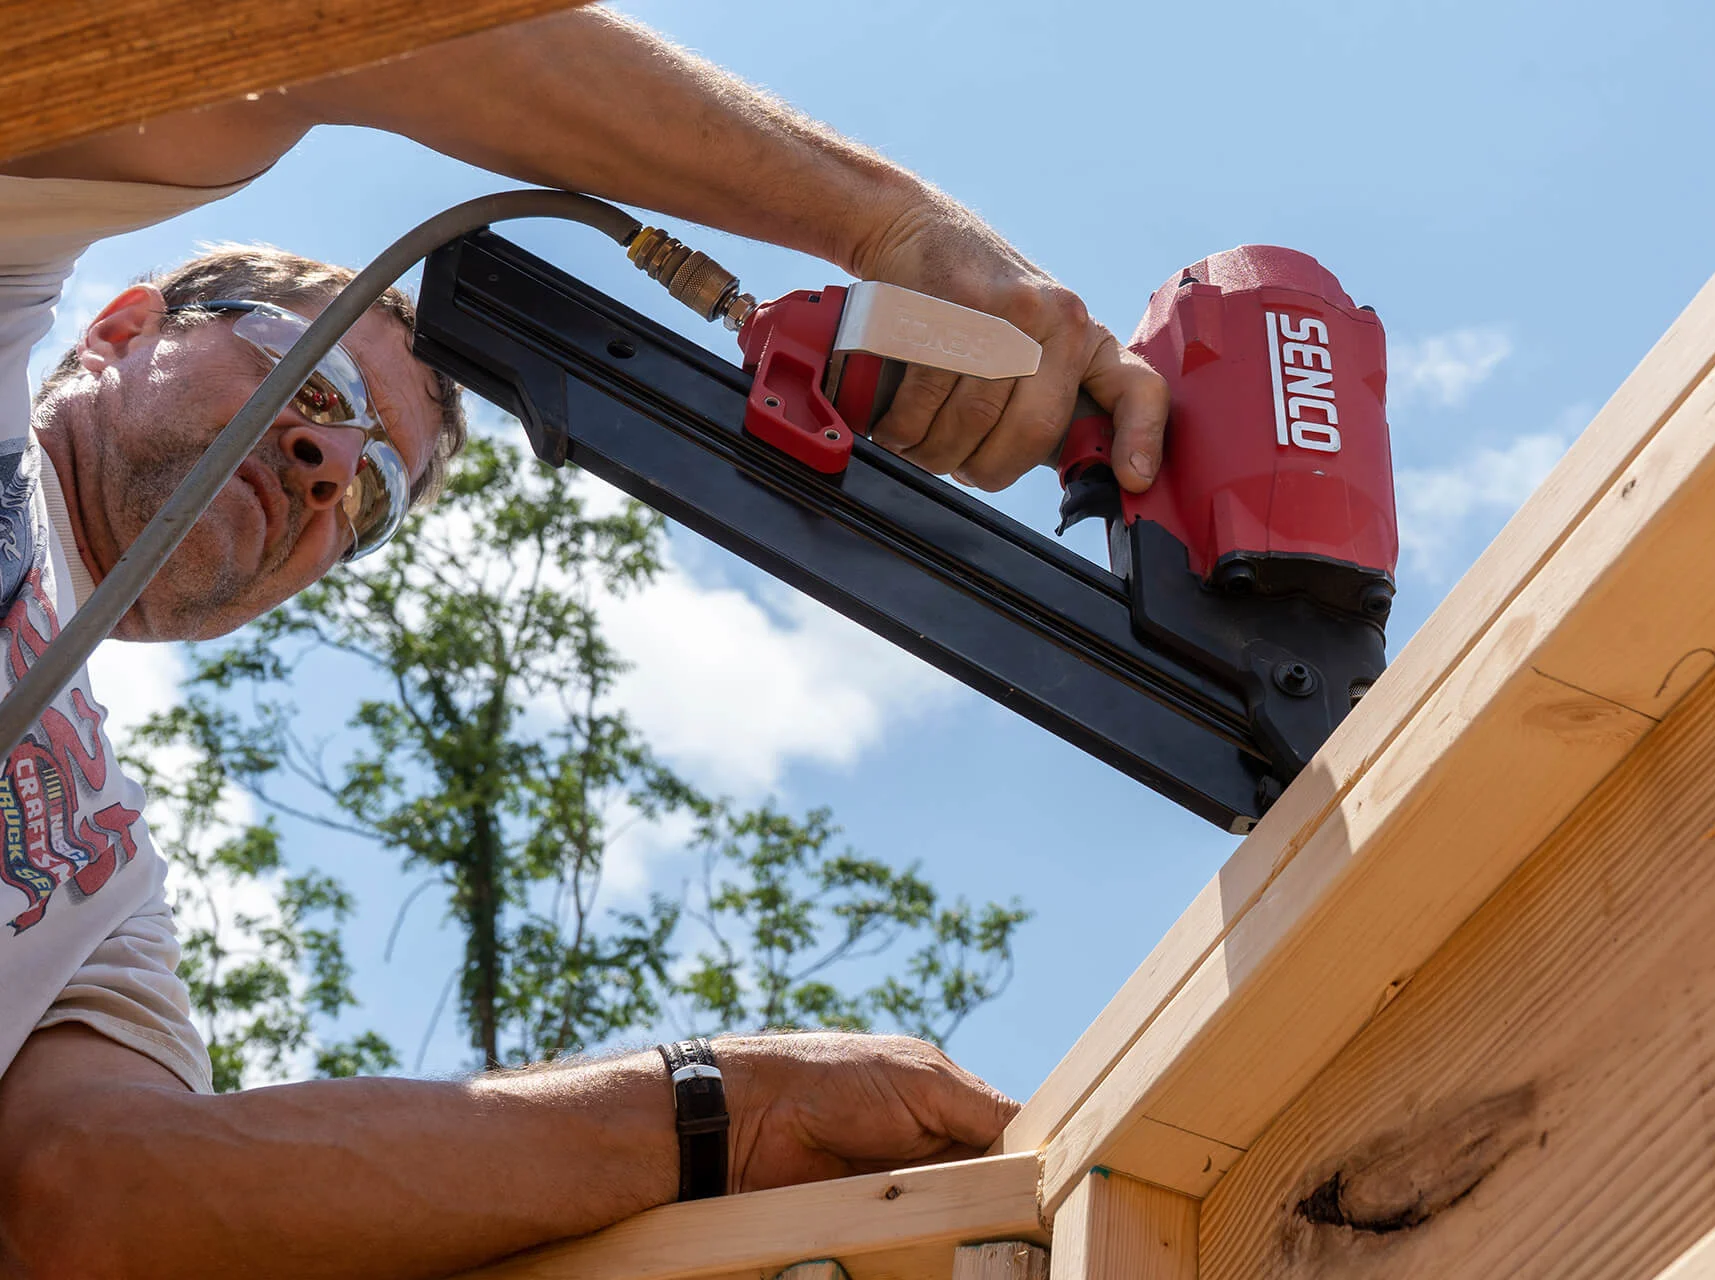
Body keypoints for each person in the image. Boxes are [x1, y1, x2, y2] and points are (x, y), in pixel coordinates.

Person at [0, 8, 1171, 1278]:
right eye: (311, 381)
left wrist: (718, 1107)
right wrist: (884, 227)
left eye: (379, 490)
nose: (335, 464)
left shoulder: (100, 881)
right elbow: (304, 30)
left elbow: (98, 1203)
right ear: (123, 326)